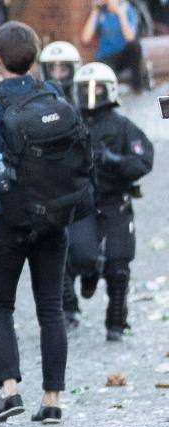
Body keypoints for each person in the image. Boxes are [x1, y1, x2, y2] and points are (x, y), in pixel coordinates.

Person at [0, 21, 87, 424]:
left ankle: (9, 391)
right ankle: (52, 398)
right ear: (35, 56)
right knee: (51, 308)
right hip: (53, 216)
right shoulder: (54, 93)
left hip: (6, 218)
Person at [64, 62, 153, 340]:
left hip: (115, 201)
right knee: (78, 255)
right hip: (82, 204)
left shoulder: (122, 126)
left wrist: (116, 161)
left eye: (98, 89)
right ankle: (81, 287)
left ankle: (116, 322)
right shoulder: (70, 124)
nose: (92, 95)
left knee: (118, 266)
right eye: (86, 89)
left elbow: (143, 160)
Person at [81, 0, 143, 94]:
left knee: (135, 46)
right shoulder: (101, 13)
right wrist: (95, 11)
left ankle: (138, 88)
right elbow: (85, 38)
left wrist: (121, 14)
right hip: (106, 56)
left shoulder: (127, 10)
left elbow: (130, 38)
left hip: (123, 55)